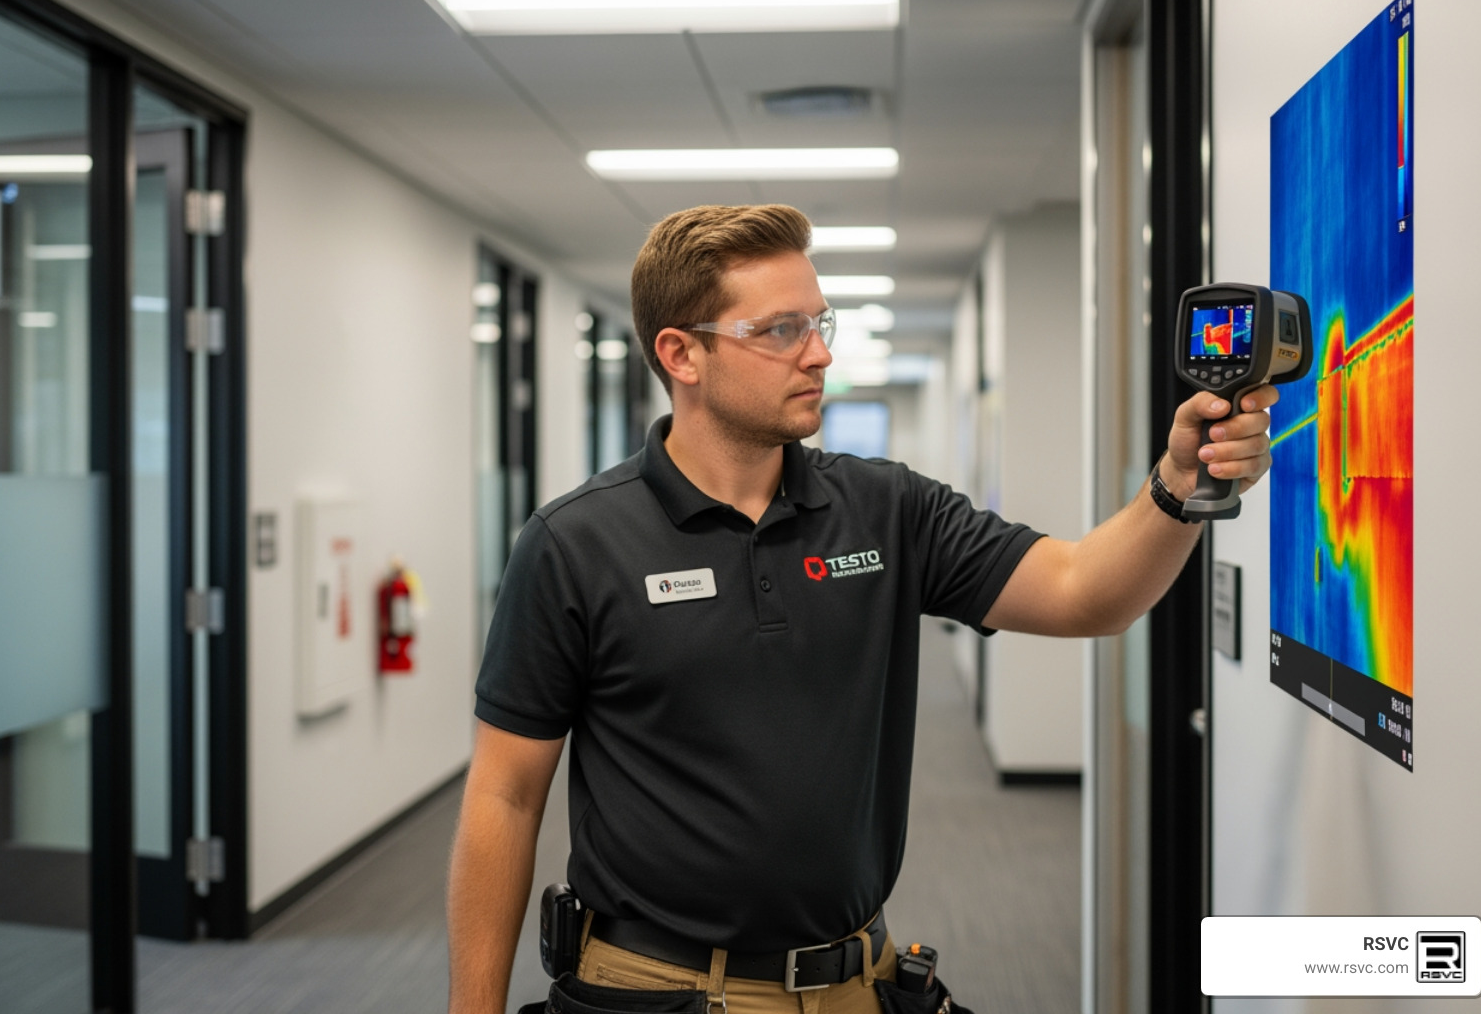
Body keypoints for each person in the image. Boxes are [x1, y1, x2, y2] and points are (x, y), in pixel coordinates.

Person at [446, 205, 1276, 1013]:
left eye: (820, 323)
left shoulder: (885, 508)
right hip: (657, 989)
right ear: (681, 355)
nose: (818, 356)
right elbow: (505, 797)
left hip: (854, 982)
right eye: (780, 331)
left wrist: (1176, 484)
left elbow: (1085, 592)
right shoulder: (574, 543)